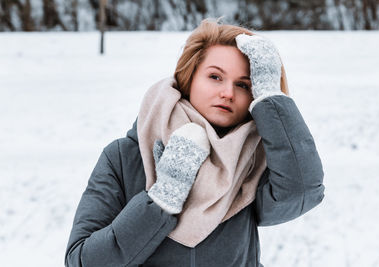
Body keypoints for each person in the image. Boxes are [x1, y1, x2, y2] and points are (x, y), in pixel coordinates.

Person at [65, 18, 325, 267]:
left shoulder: (253, 161)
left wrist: (271, 97)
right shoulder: (123, 157)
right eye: (215, 77)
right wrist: (161, 199)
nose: (228, 93)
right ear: (189, 78)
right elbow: (83, 260)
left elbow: (302, 192)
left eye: (244, 85)